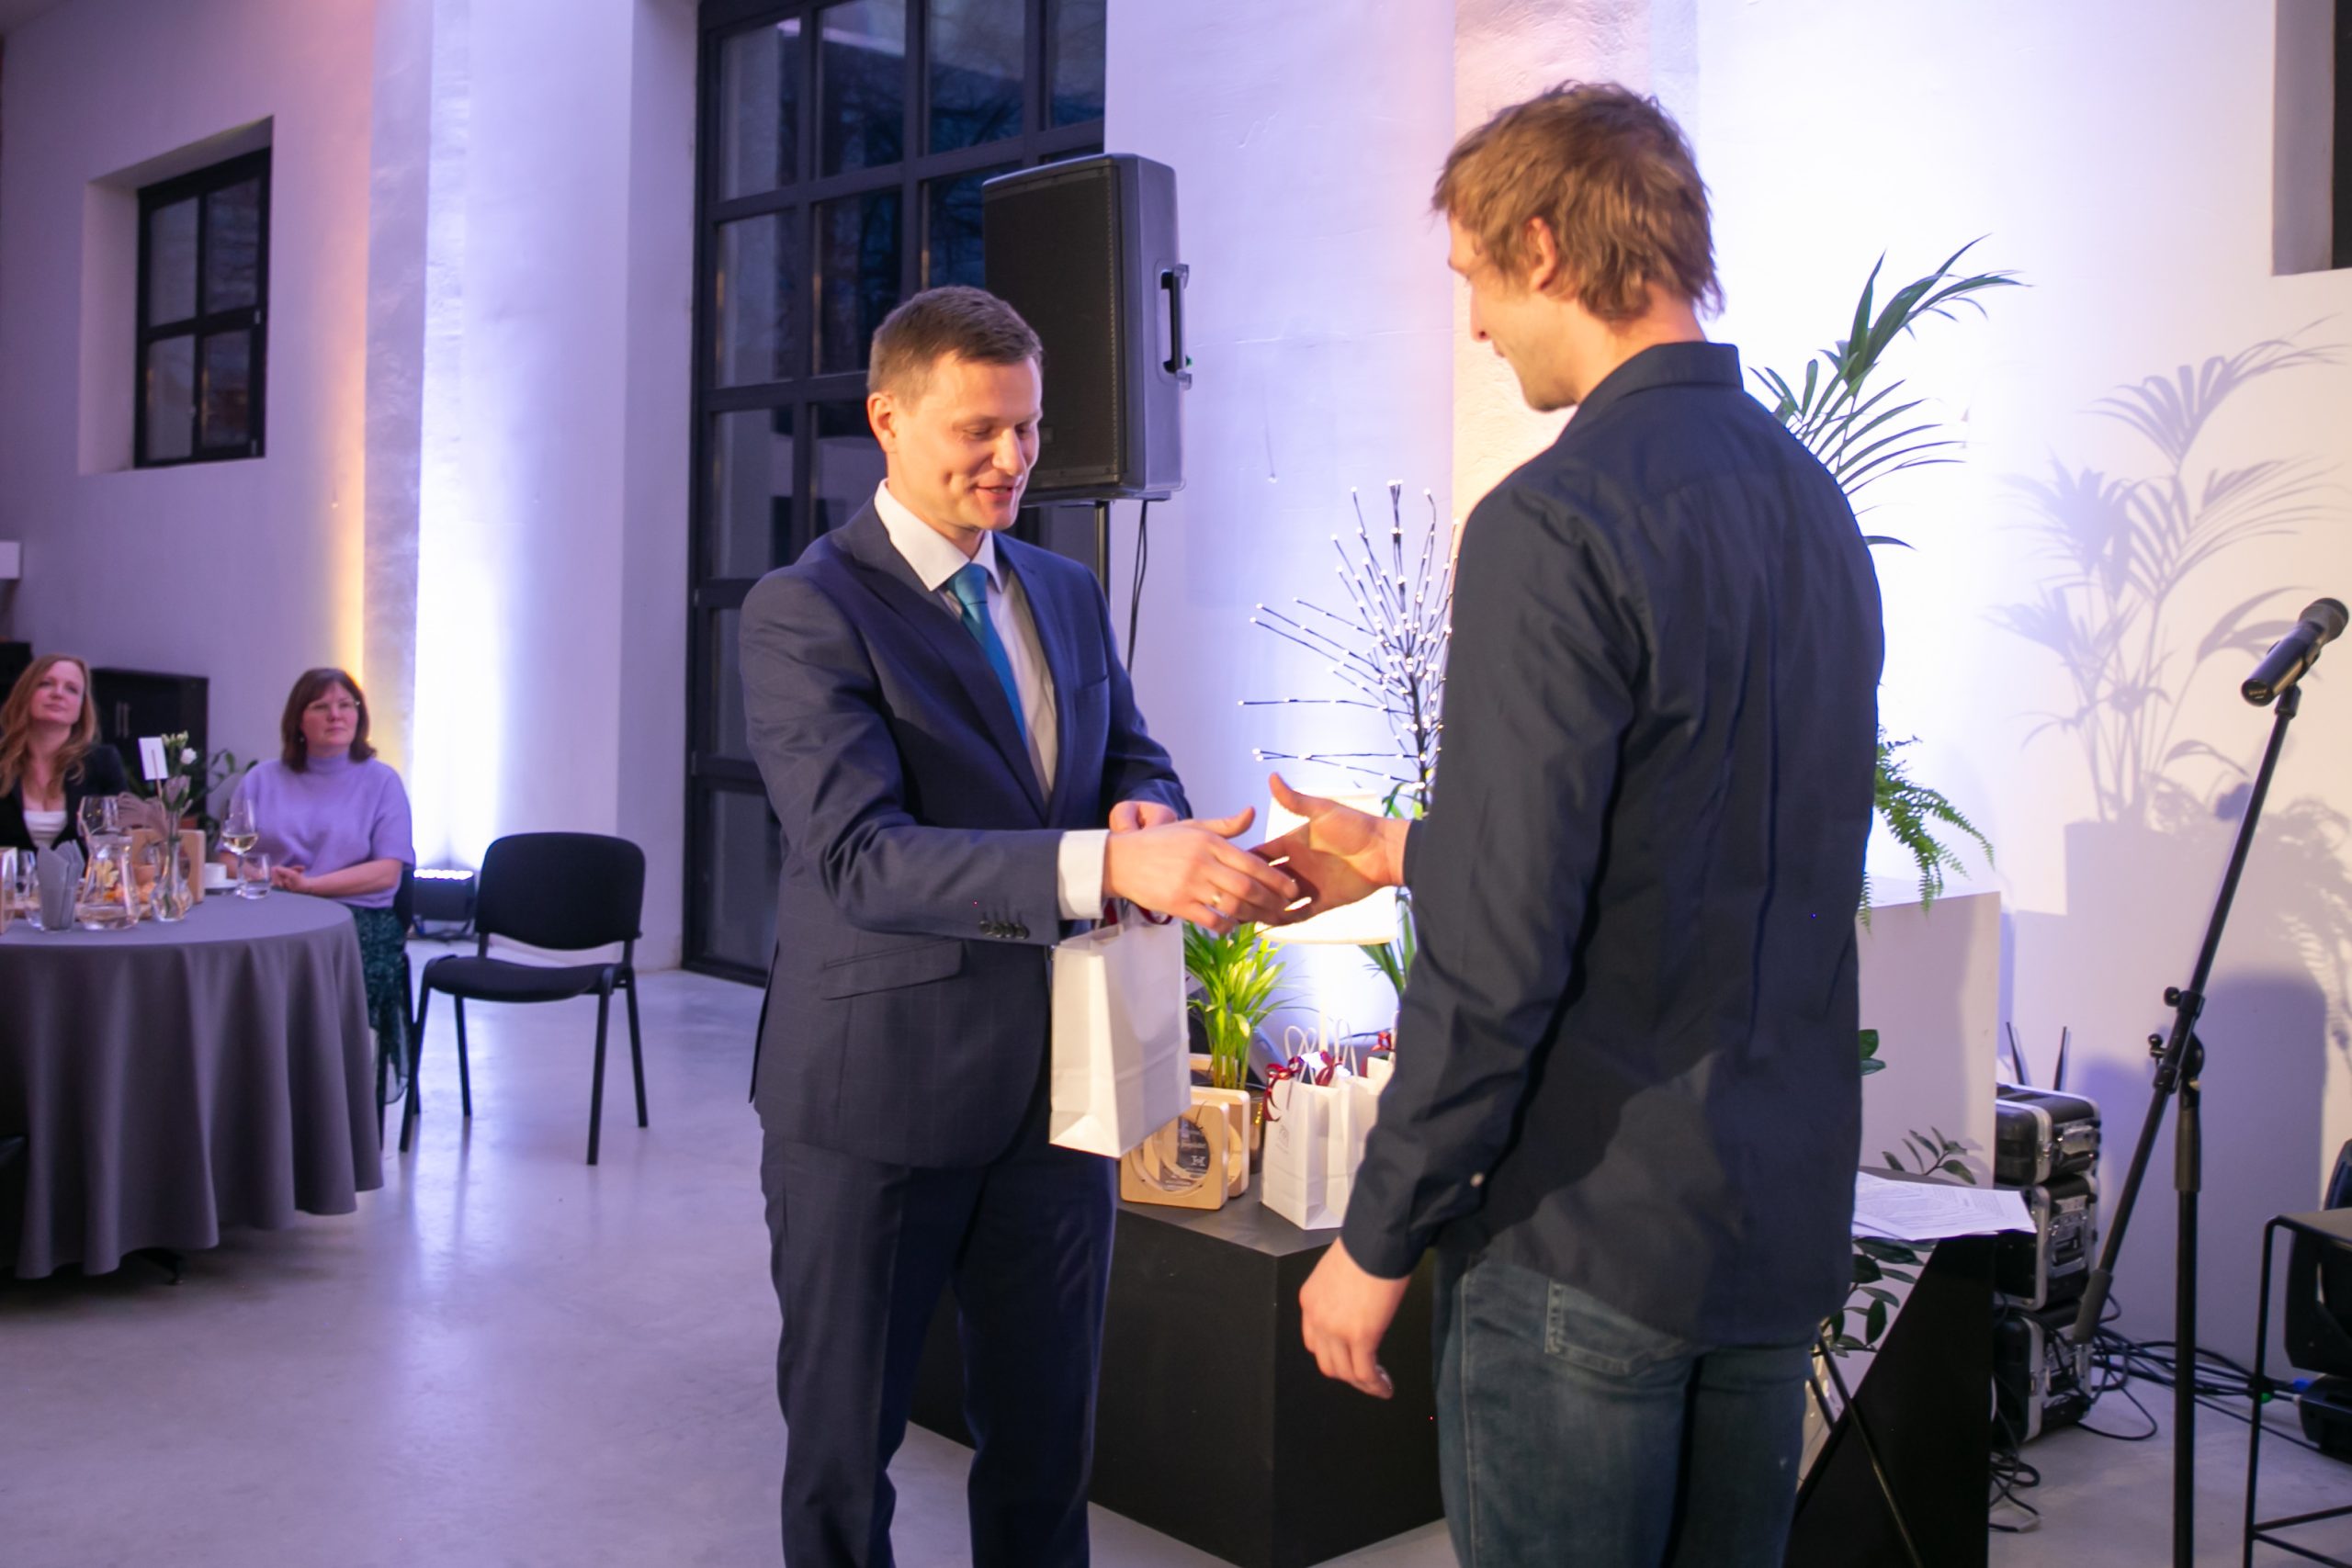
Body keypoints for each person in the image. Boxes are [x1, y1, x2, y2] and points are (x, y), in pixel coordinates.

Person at [1258, 85, 1884, 1568]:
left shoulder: (1552, 521)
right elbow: (1690, 846)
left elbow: (1502, 948)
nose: (1478, 323)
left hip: (1584, 1235)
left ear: (1541, 245)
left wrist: (1377, 1232)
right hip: (1772, 1223)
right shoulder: (1817, 509)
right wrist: (1404, 846)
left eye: (1475, 276)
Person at [738, 284, 1296, 1568]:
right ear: (886, 419)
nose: (1013, 457)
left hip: (1059, 1100)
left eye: (1030, 427)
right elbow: (862, 857)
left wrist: (1145, 802)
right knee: (842, 1461)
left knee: (1047, 1450)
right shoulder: (804, 608)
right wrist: (1113, 861)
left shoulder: (1063, 585)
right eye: (978, 429)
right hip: (872, 1105)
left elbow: (1125, 747)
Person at [226, 668, 415, 1096]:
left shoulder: (382, 781)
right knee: (235, 967)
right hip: (272, 909)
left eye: (346, 705)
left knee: (322, 976)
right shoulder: (261, 779)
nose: (336, 715)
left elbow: (387, 871)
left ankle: (329, 1097)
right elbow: (229, 858)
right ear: (298, 720)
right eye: (321, 706)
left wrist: (312, 886)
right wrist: (263, 875)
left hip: (355, 917)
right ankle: (254, 1089)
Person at [0, 653, 129, 852]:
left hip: (87, 873)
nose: (58, 693)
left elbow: (121, 837)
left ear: (81, 707)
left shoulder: (103, 762)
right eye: (46, 684)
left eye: (71, 689)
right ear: (25, 694)